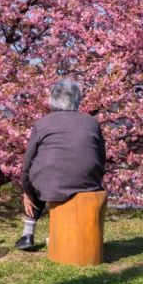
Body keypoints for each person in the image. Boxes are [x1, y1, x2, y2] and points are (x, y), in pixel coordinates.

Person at [15, 79, 106, 251]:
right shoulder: (92, 122)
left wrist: (27, 190)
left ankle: (27, 234)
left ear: (52, 99)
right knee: (48, 176)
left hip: (50, 183)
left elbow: (28, 162)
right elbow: (101, 157)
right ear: (78, 99)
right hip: (88, 182)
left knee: (39, 178)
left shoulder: (42, 123)